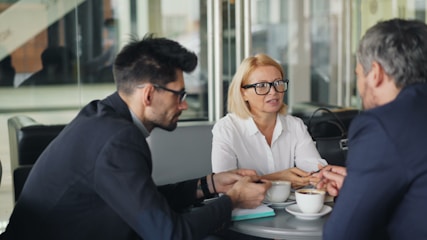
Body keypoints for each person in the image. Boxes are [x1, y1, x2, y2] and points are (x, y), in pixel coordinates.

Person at [0, 34, 271, 240]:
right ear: (149, 94)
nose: (184, 105)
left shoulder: (103, 115)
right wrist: (232, 200)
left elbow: (145, 202)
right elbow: (168, 234)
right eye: (179, 95)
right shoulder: (118, 140)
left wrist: (210, 184)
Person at [315, 18, 427, 239]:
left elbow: (342, 234)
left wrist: (354, 193)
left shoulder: (381, 125)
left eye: (358, 74)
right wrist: (360, 183)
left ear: (375, 73)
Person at [211, 53, 327, 189]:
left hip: (289, 208)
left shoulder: (295, 125)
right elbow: (224, 187)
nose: (273, 92)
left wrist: (318, 177)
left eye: (278, 83)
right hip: (247, 209)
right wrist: (278, 178)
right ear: (243, 93)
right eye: (262, 85)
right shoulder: (226, 129)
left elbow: (314, 170)